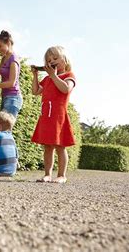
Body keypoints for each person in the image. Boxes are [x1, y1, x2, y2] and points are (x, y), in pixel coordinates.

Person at [31, 46, 76, 184]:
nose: (52, 62)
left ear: (65, 59)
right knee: (48, 147)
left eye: (55, 58)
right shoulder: (48, 79)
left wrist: (53, 76)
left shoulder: (69, 76)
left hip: (59, 117)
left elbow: (65, 89)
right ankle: (47, 174)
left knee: (60, 146)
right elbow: (35, 91)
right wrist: (35, 76)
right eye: (49, 60)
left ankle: (62, 175)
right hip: (46, 116)